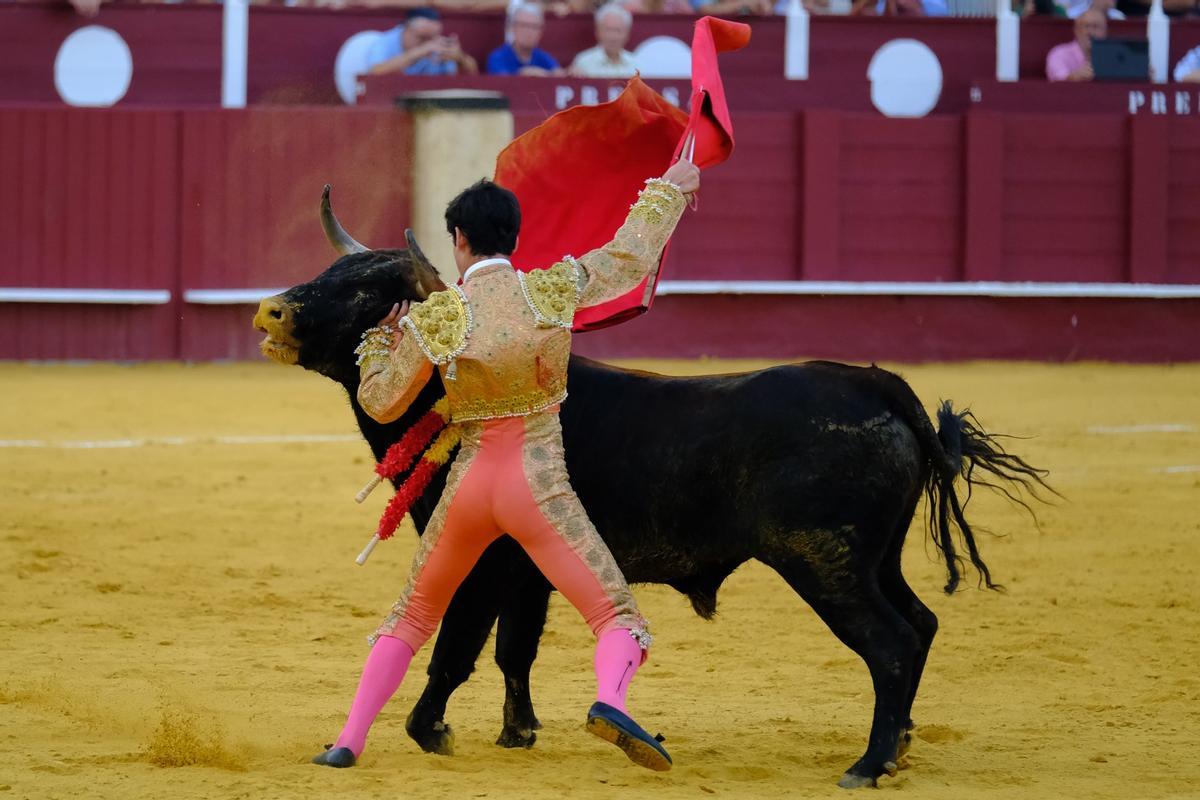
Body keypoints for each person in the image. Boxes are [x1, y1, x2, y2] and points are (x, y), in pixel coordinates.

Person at [312, 158, 702, 772]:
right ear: (515, 239)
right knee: (614, 615)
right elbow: (629, 257)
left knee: (412, 616)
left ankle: (349, 740)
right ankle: (610, 700)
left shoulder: (438, 317)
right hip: (537, 486)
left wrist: (381, 341)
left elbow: (381, 402)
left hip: (470, 487)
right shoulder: (551, 290)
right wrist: (667, 193)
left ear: (459, 239)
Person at [365, 8, 479, 77]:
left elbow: (471, 75)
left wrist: (460, 59)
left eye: (430, 38)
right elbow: (375, 72)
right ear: (406, 29)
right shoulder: (386, 41)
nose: (428, 42)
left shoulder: (437, 45)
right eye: (421, 38)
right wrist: (419, 51)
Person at [486, 3, 564, 76]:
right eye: (523, 25)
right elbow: (503, 82)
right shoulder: (498, 58)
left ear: (541, 32)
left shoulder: (544, 58)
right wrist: (522, 74)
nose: (529, 31)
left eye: (534, 27)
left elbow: (559, 75)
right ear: (512, 28)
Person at [568, 4, 638, 78]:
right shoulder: (584, 62)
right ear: (597, 32)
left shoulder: (636, 64)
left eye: (618, 30)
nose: (613, 37)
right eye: (608, 30)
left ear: (627, 34)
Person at [1045, 8, 1106, 81]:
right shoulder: (1059, 54)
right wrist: (1074, 77)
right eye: (1086, 26)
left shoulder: (1111, 56)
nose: (1091, 32)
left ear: (1105, 32)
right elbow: (1058, 80)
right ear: (1076, 30)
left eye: (1096, 26)